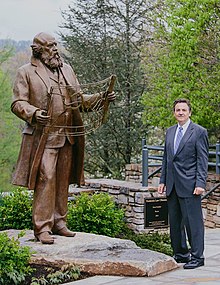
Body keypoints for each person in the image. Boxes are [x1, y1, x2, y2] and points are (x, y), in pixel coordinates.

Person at [11, 32, 115, 244]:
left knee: (62, 180)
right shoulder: (26, 72)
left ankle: (60, 222)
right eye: (50, 46)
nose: (55, 49)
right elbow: (17, 103)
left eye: (56, 45)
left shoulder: (67, 70)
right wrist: (33, 113)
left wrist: (101, 98)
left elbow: (79, 102)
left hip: (68, 135)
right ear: (38, 51)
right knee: (46, 178)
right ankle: (42, 227)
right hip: (44, 137)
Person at [158, 98, 209, 269]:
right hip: (172, 185)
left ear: (189, 112)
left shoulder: (199, 132)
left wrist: (200, 183)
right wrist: (162, 180)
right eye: (177, 110)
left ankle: (197, 257)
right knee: (175, 223)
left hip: (190, 185)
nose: (180, 112)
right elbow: (167, 158)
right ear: (174, 113)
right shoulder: (170, 131)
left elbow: (202, 160)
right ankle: (181, 254)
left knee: (193, 223)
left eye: (183, 110)